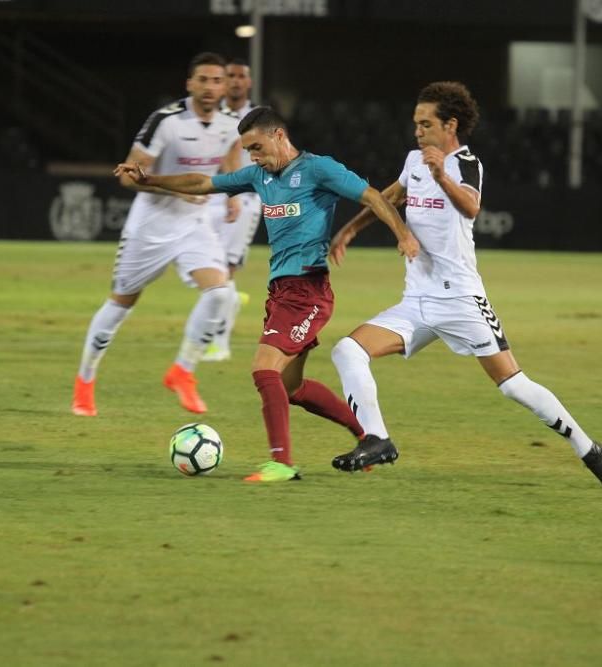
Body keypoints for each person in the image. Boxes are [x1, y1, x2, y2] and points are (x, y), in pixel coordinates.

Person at [326, 81, 602, 489]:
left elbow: (471, 206)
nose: (417, 130)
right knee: (348, 351)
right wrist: (350, 230)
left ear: (450, 125)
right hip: (416, 301)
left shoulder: (467, 164)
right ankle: (377, 439)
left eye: (425, 123)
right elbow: (388, 198)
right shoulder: (414, 159)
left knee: (514, 386)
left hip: (461, 300)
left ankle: (590, 451)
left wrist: (440, 174)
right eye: (415, 123)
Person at [115, 106, 420, 482]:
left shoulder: (318, 169)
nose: (254, 157)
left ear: (279, 136)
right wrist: (149, 179)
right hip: (281, 292)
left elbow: (373, 196)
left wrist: (403, 235)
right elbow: (203, 184)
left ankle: (281, 462)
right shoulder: (260, 176)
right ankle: (369, 440)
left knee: (264, 369)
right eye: (249, 151)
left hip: (307, 290)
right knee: (292, 387)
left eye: (257, 147)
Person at [71, 52, 240, 417]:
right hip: (152, 226)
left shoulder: (230, 123)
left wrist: (231, 193)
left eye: (217, 81)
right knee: (120, 304)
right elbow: (128, 175)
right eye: (203, 80)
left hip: (196, 224)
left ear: (225, 86)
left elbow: (227, 156)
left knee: (221, 293)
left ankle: (183, 372)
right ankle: (85, 382)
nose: (210, 87)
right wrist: (175, 191)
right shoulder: (165, 121)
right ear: (189, 84)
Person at [202, 58, 261, 362]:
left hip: (245, 199)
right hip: (211, 197)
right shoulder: (212, 115)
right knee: (206, 266)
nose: (236, 81)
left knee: (225, 269)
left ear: (248, 82)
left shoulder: (258, 118)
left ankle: (219, 343)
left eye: (241, 76)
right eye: (231, 76)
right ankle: (232, 301)